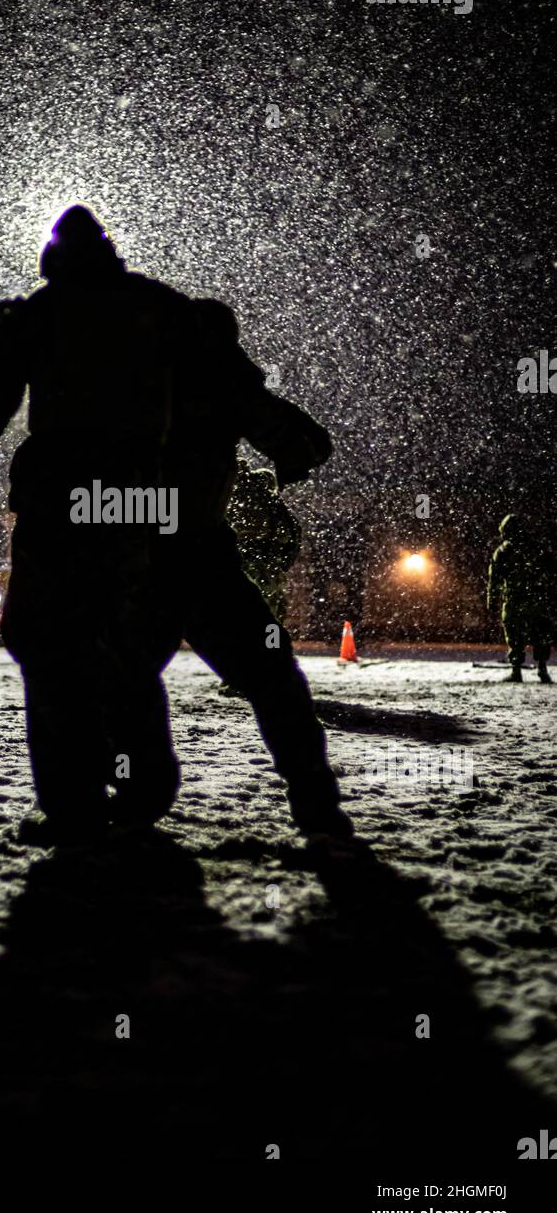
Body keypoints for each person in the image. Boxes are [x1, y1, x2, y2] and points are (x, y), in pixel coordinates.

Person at [0, 205, 189, 841]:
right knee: (125, 635)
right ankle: (143, 782)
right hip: (139, 498)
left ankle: (74, 800)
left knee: (48, 643)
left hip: (63, 501)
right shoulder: (157, 307)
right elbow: (213, 393)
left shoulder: (40, 316)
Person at [153, 297, 354, 840]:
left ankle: (124, 794)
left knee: (119, 679)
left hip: (134, 553)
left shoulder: (130, 374)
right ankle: (313, 793)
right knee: (271, 675)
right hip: (199, 550)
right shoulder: (222, 377)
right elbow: (305, 442)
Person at [226, 457, 301, 620]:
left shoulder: (226, 496)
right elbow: (293, 533)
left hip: (237, 558)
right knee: (271, 605)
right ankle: (268, 642)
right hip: (267, 559)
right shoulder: (269, 498)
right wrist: (282, 562)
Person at [487, 514, 554, 683]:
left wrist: (492, 600)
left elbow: (494, 578)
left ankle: (516, 670)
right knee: (540, 634)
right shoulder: (537, 548)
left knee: (514, 635)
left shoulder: (503, 551)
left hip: (514, 600)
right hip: (537, 599)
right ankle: (542, 669)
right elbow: (551, 573)